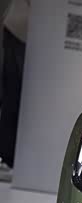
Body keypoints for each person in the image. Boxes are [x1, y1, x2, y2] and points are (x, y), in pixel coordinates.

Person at [0, 0, 29, 180]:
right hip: (20, 29)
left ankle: (8, 156)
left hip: (21, 28)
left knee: (14, 95)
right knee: (14, 96)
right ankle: (8, 156)